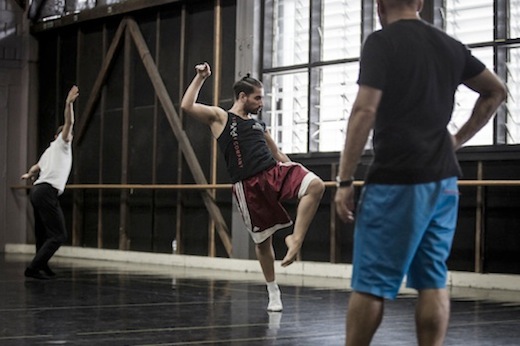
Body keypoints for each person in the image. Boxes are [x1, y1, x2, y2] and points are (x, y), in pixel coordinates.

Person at [334, 1, 506, 345]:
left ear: (379, 5)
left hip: (397, 180)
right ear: (420, 4)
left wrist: (344, 180)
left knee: (371, 284)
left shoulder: (382, 42)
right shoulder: (449, 45)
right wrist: (456, 140)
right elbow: (496, 91)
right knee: (433, 280)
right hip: (443, 181)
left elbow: (365, 109)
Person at [181, 63, 325, 311]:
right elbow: (187, 106)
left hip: (273, 173)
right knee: (263, 243)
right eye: (258, 98)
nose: (262, 103)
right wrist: (201, 77)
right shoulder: (221, 118)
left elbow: (277, 152)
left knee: (316, 185)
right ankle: (273, 291)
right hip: (248, 187)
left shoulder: (260, 125)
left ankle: (296, 238)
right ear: (242, 97)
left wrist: (293, 170)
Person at [21, 85, 80, 280]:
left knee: (43, 232)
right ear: (59, 136)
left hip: (37, 190)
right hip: (46, 192)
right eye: (67, 134)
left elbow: (36, 167)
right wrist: (68, 103)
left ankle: (41, 265)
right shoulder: (61, 145)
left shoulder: (49, 150)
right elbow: (69, 122)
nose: (69, 136)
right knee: (58, 235)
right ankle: (33, 268)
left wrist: (28, 175)